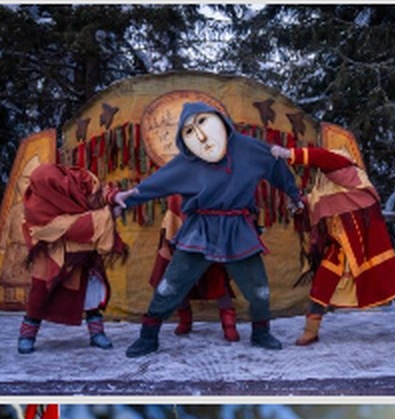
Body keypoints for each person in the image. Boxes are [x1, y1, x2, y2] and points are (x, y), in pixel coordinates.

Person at [113, 102, 303, 356]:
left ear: (219, 120)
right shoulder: (187, 162)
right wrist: (126, 199)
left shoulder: (249, 149)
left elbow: (276, 165)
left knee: (259, 288)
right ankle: (148, 335)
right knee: (172, 283)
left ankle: (261, 332)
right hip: (200, 229)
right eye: (189, 131)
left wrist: (293, 194)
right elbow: (155, 184)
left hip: (238, 228)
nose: (200, 135)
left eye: (203, 122)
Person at [269, 144, 395, 346]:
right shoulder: (325, 188)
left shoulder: (349, 173)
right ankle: (310, 330)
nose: (325, 167)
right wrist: (299, 205)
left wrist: (291, 154)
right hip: (338, 245)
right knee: (322, 285)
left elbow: (327, 160)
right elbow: (313, 207)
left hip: (370, 243)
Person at [14, 164, 126, 354]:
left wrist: (114, 197)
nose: (62, 188)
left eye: (61, 184)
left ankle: (97, 333)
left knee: (91, 290)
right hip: (51, 254)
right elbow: (63, 227)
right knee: (40, 292)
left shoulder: (75, 180)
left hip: (84, 252)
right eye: (56, 187)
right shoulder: (36, 204)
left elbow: (96, 192)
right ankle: (27, 335)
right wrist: (106, 216)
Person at [150, 194, 241, 342]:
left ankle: (229, 325)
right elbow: (174, 199)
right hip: (179, 226)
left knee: (217, 279)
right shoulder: (180, 178)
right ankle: (185, 320)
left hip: (210, 231)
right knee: (177, 280)